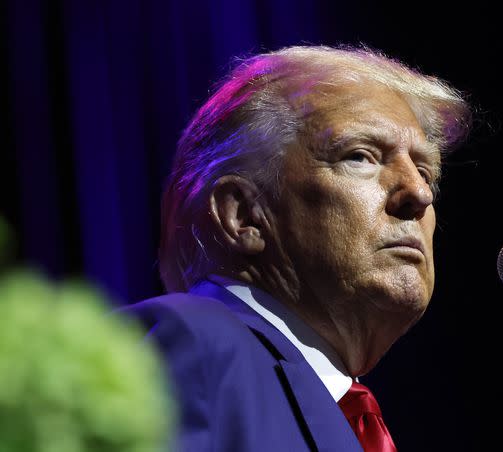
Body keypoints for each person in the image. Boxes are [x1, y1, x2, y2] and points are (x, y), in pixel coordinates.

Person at [121, 45, 471, 451]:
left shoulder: (340, 406)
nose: (419, 193)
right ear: (244, 216)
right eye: (360, 157)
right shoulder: (195, 345)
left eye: (425, 171)